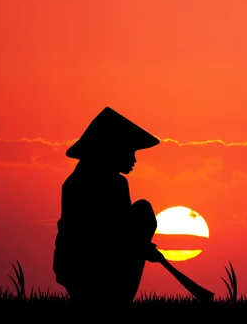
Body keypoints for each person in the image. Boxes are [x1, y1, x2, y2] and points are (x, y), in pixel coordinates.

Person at [53, 106, 165, 306]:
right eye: (129, 151)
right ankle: (116, 302)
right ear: (111, 149)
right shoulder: (85, 184)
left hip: (89, 266)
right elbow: (102, 232)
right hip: (84, 269)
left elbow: (120, 228)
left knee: (142, 212)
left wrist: (138, 245)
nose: (134, 159)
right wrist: (138, 246)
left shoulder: (110, 183)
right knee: (143, 212)